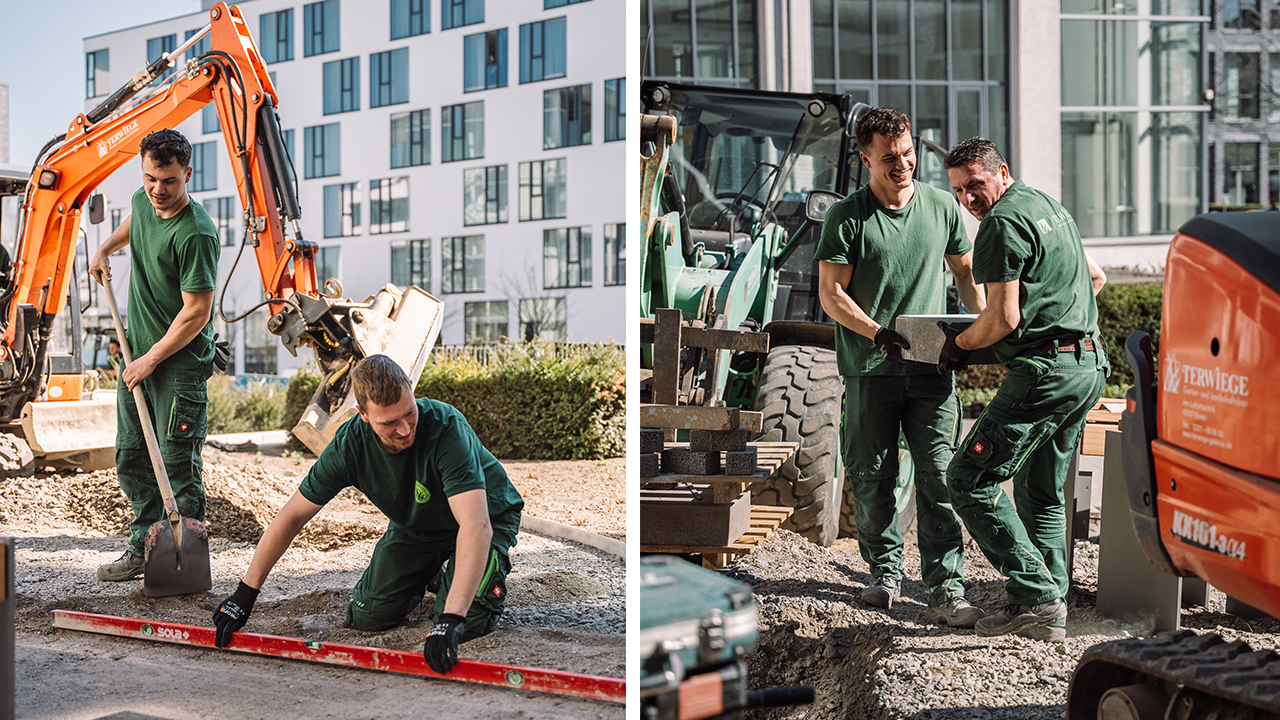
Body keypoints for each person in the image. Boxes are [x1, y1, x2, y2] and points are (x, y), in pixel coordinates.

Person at [212, 354, 525, 674]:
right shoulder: (349, 448)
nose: (404, 429)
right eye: (389, 423)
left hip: (487, 518)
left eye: (409, 413)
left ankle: (463, 583)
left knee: (467, 624)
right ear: (362, 414)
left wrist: (450, 618)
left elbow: (476, 526)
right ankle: (431, 573)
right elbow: (292, 517)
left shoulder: (446, 428)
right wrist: (245, 593)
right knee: (368, 617)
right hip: (417, 527)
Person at [814, 107, 987, 626]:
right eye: (889, 157)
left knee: (939, 476)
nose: (903, 164)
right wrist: (877, 332)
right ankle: (884, 573)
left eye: (908, 153)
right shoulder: (848, 216)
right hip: (870, 368)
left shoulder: (941, 207)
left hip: (932, 368)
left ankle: (945, 588)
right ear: (866, 159)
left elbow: (966, 275)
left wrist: (982, 330)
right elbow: (831, 294)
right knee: (871, 478)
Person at [939, 138, 1108, 642]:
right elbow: (1095, 278)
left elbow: (1002, 317)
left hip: (1046, 373)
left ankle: (1036, 599)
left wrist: (960, 345)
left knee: (968, 476)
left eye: (975, 184)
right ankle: (1052, 596)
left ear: (1001, 172)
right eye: (958, 191)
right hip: (1088, 365)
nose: (969, 198)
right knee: (1041, 491)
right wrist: (1053, 318)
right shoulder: (1045, 204)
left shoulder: (1000, 224)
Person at [88, 128, 220, 582]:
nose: (157, 191)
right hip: (138, 358)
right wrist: (106, 247)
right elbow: (136, 222)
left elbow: (196, 312)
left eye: (168, 182)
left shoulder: (196, 233)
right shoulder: (144, 200)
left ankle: (185, 564)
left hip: (177, 365)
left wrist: (152, 359)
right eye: (149, 179)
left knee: (176, 464)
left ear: (187, 173)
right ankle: (144, 547)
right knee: (131, 456)